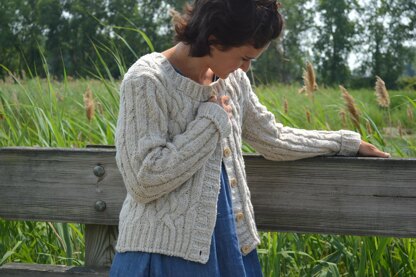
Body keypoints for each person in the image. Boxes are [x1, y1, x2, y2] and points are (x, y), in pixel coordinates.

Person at [110, 0, 390, 276]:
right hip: (162, 254)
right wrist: (210, 121)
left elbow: (273, 137)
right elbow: (142, 180)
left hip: (229, 246)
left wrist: (344, 143)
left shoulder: (232, 81)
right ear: (213, 38)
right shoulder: (147, 79)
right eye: (244, 58)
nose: (245, 68)